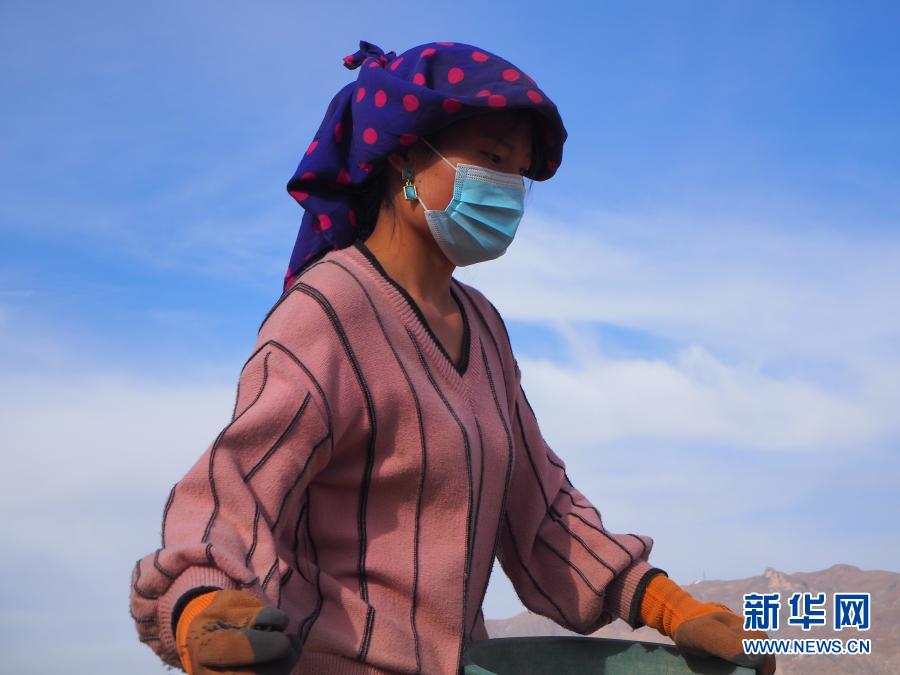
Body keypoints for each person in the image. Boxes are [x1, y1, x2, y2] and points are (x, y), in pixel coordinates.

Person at [129, 40, 776, 675]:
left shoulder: (486, 329)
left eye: (518, 173)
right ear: (406, 154)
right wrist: (202, 605)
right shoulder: (328, 311)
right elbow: (237, 484)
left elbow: (541, 512)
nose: (508, 189)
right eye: (491, 159)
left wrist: (668, 605)